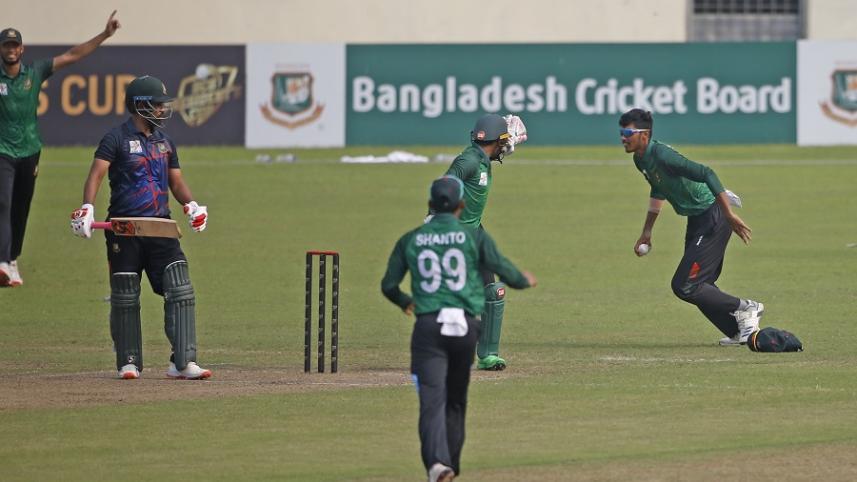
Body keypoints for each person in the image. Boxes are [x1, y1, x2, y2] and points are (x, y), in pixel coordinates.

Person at [382, 175, 537, 482]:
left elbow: (388, 285)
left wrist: (404, 301)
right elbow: (504, 269)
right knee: (455, 401)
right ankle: (451, 465)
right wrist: (524, 280)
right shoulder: (473, 236)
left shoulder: (411, 238)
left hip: (428, 328)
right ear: (461, 206)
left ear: (430, 205)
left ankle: (438, 465)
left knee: (431, 401)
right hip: (466, 328)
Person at [69, 75, 212, 380]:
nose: (163, 109)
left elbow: (176, 181)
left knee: (180, 288)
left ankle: (183, 362)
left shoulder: (165, 141)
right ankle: (128, 361)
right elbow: (96, 174)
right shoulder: (115, 138)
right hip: (125, 229)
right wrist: (87, 207)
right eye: (158, 104)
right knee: (125, 294)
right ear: (140, 105)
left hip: (160, 227)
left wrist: (192, 205)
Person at [619, 108, 764, 346]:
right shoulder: (640, 159)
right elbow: (658, 189)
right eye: (621, 132)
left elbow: (706, 172)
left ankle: (747, 307)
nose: (623, 137)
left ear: (644, 135)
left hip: (713, 216)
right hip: (697, 219)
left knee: (685, 285)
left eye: (628, 132)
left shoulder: (663, 156)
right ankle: (737, 332)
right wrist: (647, 231)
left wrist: (728, 214)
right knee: (701, 285)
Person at [0, 11, 121, 287]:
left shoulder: (35, 71)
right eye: (5, 45)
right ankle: (2, 261)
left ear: (21, 49)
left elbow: (73, 56)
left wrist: (104, 35)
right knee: (3, 202)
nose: (10, 50)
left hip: (30, 150)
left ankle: (12, 260)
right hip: (2, 151)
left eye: (14, 45)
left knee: (20, 207)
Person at [441, 113, 527, 371]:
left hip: (475, 232)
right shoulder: (468, 160)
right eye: (504, 142)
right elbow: (446, 182)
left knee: (493, 292)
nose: (507, 147)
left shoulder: (482, 157)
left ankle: (488, 355)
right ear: (496, 141)